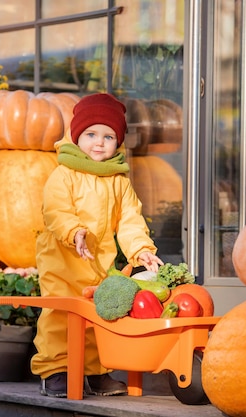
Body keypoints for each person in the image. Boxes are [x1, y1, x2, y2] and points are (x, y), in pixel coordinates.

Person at [32, 93, 164, 398]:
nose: (99, 142)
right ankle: (55, 371)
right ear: (77, 136)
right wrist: (74, 231)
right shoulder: (63, 174)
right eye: (91, 134)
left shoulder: (119, 180)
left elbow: (130, 219)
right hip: (62, 260)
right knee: (60, 315)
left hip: (99, 263)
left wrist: (141, 249)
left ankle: (96, 371)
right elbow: (56, 210)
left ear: (117, 142)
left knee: (98, 317)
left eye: (108, 136)